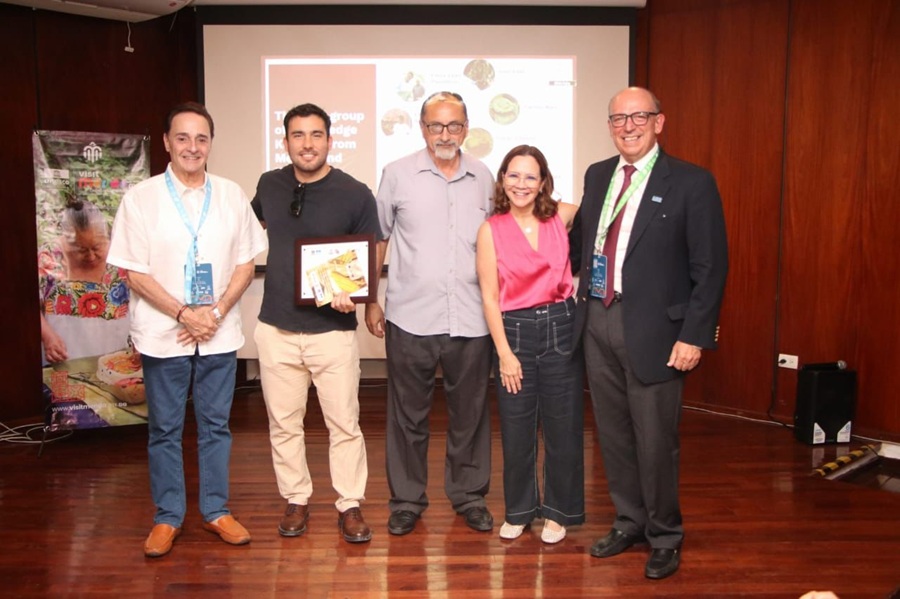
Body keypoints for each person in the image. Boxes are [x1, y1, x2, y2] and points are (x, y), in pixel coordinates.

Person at [570, 87, 728, 579]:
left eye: (639, 116)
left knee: (656, 440)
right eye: (618, 118)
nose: (628, 126)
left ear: (660, 122)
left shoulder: (692, 182)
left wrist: (694, 335)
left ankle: (665, 534)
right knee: (613, 435)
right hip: (598, 318)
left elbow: (712, 267)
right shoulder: (598, 175)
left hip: (660, 332)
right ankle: (629, 521)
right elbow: (582, 247)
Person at [107, 102, 267, 558]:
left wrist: (212, 314)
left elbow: (245, 262)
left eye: (201, 138)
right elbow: (134, 273)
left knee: (216, 425)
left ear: (210, 144)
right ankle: (167, 517)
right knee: (165, 428)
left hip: (218, 330)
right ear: (166, 143)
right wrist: (183, 313)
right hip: (163, 332)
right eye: (183, 138)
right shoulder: (141, 198)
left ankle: (216, 510)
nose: (192, 147)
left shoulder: (232, 194)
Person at [366, 91, 494, 535]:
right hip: (409, 316)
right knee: (407, 415)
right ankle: (406, 500)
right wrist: (371, 298)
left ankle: (469, 495)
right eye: (436, 126)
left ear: (466, 127)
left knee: (471, 414)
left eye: (454, 125)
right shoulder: (397, 174)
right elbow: (379, 238)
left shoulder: (484, 176)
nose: (445, 134)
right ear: (422, 128)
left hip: (473, 318)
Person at [251, 103, 380, 544]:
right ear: (285, 141)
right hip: (276, 329)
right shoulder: (269, 184)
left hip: (332, 332)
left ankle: (349, 504)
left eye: (316, 135)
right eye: (298, 135)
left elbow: (369, 255)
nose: (307, 144)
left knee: (344, 423)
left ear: (330, 139)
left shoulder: (356, 193)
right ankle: (296, 497)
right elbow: (255, 228)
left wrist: (360, 296)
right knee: (283, 422)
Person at [475, 145, 583, 545]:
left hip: (560, 326)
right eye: (513, 175)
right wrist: (504, 354)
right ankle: (520, 510)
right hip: (514, 332)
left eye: (530, 176)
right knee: (518, 429)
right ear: (502, 179)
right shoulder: (491, 229)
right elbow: (489, 297)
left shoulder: (564, 216)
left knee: (563, 427)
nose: (521, 184)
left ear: (543, 183)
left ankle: (559, 512)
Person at [39, 196, 131, 364]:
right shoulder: (49, 256)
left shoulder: (121, 255)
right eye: (81, 249)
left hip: (116, 361)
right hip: (62, 357)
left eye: (97, 247)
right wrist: (47, 336)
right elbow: (24, 306)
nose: (90, 256)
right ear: (67, 240)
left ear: (106, 235)